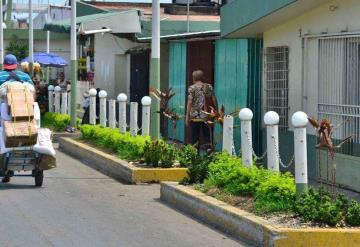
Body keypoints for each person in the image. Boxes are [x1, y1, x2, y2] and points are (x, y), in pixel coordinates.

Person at [0, 54, 34, 183]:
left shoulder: (0, 75)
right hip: (25, 115)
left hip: (4, 114)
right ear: (16, 65)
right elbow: (33, 94)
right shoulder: (25, 76)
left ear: (4, 65)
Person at [185, 70, 217, 147]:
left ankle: (195, 156)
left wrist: (187, 117)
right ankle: (209, 154)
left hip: (195, 117)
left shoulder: (191, 88)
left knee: (194, 138)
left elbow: (189, 102)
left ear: (194, 78)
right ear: (202, 77)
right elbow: (214, 99)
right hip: (207, 116)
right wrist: (215, 112)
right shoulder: (209, 86)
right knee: (207, 137)